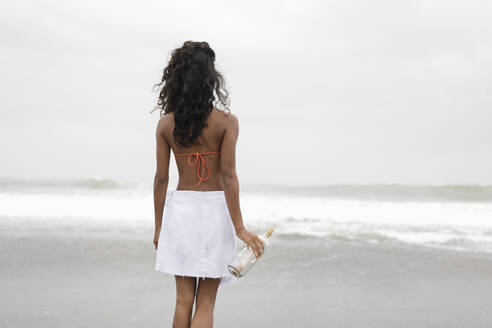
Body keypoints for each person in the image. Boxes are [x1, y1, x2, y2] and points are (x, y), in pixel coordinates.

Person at [151, 41, 265, 328]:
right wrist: (239, 227)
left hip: (181, 212)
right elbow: (228, 176)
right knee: (206, 301)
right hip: (216, 212)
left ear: (176, 79)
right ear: (210, 79)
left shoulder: (166, 124)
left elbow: (161, 179)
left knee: (182, 300)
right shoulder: (227, 123)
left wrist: (158, 227)